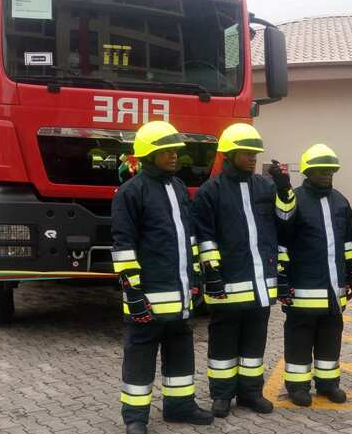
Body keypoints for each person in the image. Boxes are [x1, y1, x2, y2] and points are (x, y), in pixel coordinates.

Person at [112, 121, 213, 434]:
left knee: (181, 351)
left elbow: (188, 239)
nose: (173, 156)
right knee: (140, 356)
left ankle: (180, 407)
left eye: (174, 151)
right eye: (165, 151)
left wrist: (195, 278)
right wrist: (133, 293)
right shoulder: (131, 192)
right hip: (148, 297)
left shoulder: (179, 188)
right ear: (147, 155)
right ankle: (135, 418)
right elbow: (123, 245)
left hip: (179, 294)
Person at [192, 123, 295, 418]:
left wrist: (285, 189)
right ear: (230, 154)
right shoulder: (210, 191)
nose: (253, 158)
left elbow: (285, 220)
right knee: (223, 343)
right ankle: (222, 395)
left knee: (254, 343)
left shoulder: (265, 186)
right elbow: (204, 236)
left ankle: (250, 393)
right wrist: (211, 274)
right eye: (246, 153)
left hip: (261, 284)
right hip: (227, 283)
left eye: (255, 153)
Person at [278, 143, 352, 407]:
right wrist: (283, 280)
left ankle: (328, 384)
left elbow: (347, 243)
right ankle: (297, 386)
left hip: (334, 288)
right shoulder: (295, 199)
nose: (327, 175)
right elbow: (283, 239)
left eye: (330, 171)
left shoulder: (340, 201)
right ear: (308, 171)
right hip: (303, 287)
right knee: (300, 338)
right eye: (321, 170)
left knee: (330, 337)